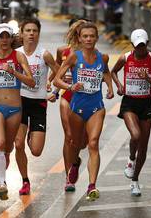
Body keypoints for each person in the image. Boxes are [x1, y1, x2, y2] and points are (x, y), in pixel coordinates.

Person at [54, 22, 114, 201]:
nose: (88, 39)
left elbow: (106, 73)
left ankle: (92, 186)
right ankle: (74, 164)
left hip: (96, 106)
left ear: (96, 38)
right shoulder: (74, 57)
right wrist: (70, 86)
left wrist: (110, 87)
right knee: (75, 143)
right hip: (77, 107)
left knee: (93, 143)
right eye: (85, 36)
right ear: (80, 38)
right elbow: (57, 80)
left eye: (92, 36)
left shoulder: (103, 58)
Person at [0, 23, 35, 200]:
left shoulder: (19, 56)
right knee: (0, 143)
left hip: (14, 109)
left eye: (7, 36)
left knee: (9, 148)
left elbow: (31, 81)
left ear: (12, 38)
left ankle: (4, 174)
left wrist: (13, 72)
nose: (4, 40)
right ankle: (2, 184)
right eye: (0, 36)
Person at [111, 29, 151, 196]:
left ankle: (135, 180)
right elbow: (113, 71)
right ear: (132, 46)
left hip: (146, 104)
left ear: (148, 44)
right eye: (137, 47)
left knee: (143, 147)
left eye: (143, 46)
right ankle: (130, 159)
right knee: (135, 135)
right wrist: (119, 86)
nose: (140, 50)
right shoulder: (126, 57)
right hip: (129, 102)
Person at [14, 18, 59, 195]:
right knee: (18, 145)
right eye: (28, 30)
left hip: (39, 103)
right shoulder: (15, 53)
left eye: (34, 31)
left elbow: (59, 72)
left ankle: (30, 135)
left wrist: (54, 90)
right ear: (22, 34)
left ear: (38, 34)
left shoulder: (44, 54)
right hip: (20, 102)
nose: (31, 34)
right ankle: (25, 181)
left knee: (36, 151)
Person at [54, 18, 87, 192]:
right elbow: (57, 73)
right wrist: (53, 91)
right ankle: (69, 177)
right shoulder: (62, 51)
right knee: (69, 137)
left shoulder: (93, 54)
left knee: (83, 143)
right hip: (67, 96)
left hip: (87, 99)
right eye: (80, 32)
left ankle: (75, 159)